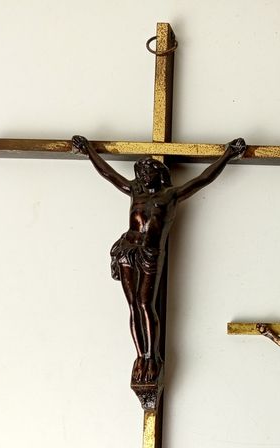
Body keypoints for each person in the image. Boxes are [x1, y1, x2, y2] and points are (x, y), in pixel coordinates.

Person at [71, 134, 247, 386]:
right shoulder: (135, 191)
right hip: (127, 250)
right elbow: (109, 174)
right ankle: (140, 356)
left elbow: (203, 178)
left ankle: (152, 357)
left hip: (151, 253)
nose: (144, 175)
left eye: (149, 170)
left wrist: (227, 155)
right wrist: (88, 151)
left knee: (145, 304)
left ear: (159, 173)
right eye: (141, 171)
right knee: (133, 306)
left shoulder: (170, 196)